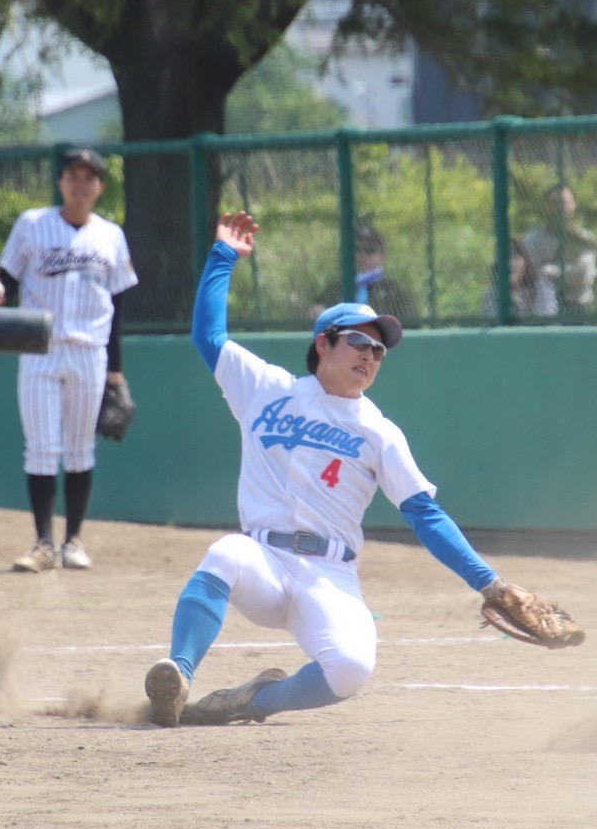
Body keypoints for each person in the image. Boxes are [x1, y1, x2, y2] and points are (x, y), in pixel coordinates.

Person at [143, 211, 574, 727]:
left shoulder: (379, 432)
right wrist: (223, 257)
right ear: (323, 343)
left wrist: (489, 583)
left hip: (330, 573)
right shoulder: (266, 388)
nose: (372, 355)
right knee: (224, 552)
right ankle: (179, 673)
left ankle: (249, 702)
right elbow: (208, 335)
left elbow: (425, 515)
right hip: (262, 561)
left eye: (380, 349)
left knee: (350, 669)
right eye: (360, 343)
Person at [0, 146, 137, 572]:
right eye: (73, 175)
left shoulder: (111, 235)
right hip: (40, 348)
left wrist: (116, 370)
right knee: (41, 448)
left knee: (80, 449)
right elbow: (8, 278)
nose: (81, 184)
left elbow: (119, 305)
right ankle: (42, 545)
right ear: (61, 183)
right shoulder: (33, 225)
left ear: (100, 187)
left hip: (90, 352)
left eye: (89, 177)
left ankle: (73, 541)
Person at [312, 225, 418, 322]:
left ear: (383, 256)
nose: (362, 254)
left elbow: (412, 324)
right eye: (356, 249)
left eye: (370, 250)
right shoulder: (335, 290)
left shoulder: (395, 291)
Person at [521, 183, 597, 317]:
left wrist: (547, 270)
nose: (560, 208)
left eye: (564, 203)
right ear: (547, 206)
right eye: (555, 203)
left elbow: (583, 275)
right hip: (541, 307)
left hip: (577, 308)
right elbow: (531, 276)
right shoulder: (531, 240)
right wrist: (568, 272)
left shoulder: (586, 238)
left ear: (573, 205)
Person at [480, 239, 538, 318]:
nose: (510, 264)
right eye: (504, 258)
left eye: (515, 258)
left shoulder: (541, 288)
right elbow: (490, 323)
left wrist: (519, 306)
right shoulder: (492, 294)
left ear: (525, 263)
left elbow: (547, 320)